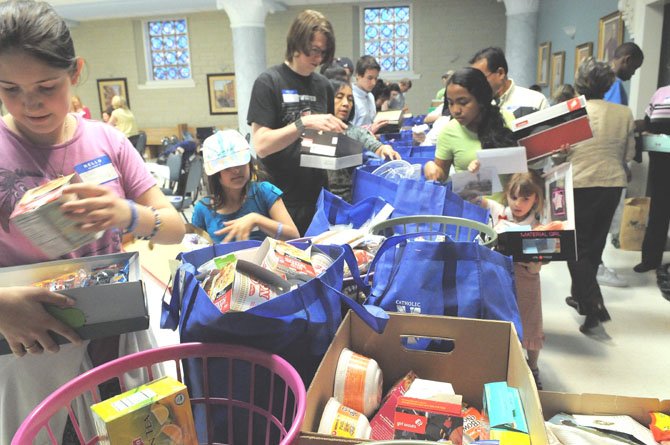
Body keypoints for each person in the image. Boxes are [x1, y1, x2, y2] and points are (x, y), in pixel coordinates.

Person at [0, 1, 186, 442]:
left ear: (76, 72)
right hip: (32, 345)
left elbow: (175, 226)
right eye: (9, 89)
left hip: (115, 333)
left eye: (47, 85)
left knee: (139, 432)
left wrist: (128, 214)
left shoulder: (107, 141)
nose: (31, 102)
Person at [247, 10, 346, 236]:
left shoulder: (323, 86)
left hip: (315, 196)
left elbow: (323, 145)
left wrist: (343, 146)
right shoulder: (268, 82)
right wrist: (304, 123)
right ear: (296, 42)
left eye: (323, 52)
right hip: (280, 199)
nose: (318, 58)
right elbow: (262, 145)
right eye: (314, 50)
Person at [561, 58, 635, 334]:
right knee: (593, 246)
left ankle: (593, 303)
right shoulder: (624, 113)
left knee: (572, 246)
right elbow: (628, 155)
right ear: (609, 84)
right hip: (612, 183)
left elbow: (560, 153)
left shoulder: (572, 111)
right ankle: (582, 299)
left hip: (579, 183)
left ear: (579, 81)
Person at [476, 171, 546, 388]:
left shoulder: (539, 223)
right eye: (513, 197)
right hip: (498, 277)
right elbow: (468, 195)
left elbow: (547, 253)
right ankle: (500, 364)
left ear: (536, 199)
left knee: (530, 322)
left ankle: (533, 368)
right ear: (506, 195)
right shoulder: (499, 212)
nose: (518, 204)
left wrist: (536, 263)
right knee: (500, 319)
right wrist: (478, 172)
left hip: (527, 278)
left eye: (526, 198)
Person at [192, 130, 299, 243]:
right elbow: (192, 249)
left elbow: (294, 236)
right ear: (215, 173)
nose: (237, 170)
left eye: (240, 163)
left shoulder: (264, 192)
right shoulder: (203, 209)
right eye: (227, 167)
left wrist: (257, 219)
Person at [598, 42, 644, 287]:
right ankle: (597, 266)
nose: (633, 73)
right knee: (603, 221)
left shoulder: (604, 84)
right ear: (625, 59)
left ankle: (594, 265)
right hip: (608, 166)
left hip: (594, 165)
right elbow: (612, 126)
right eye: (634, 68)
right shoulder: (615, 84)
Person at [423, 67, 516, 182]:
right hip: (470, 199)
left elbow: (523, 166)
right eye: (451, 103)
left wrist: (489, 162)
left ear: (481, 99)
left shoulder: (507, 119)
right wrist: (431, 168)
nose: (455, 110)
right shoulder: (448, 132)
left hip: (509, 199)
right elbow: (441, 176)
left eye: (463, 102)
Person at [326, 77, 401, 202]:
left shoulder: (354, 131)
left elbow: (374, 145)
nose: (346, 103)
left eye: (350, 99)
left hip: (347, 200)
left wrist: (384, 148)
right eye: (339, 97)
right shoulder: (313, 131)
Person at [634, 84, 670, 276]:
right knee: (658, 211)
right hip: (661, 162)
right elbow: (648, 123)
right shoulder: (660, 93)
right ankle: (650, 259)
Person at [470, 47, 549, 118]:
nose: (477, 84)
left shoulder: (535, 100)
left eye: (481, 78)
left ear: (500, 73)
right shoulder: (476, 106)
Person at [352, 55, 381, 127]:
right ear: (358, 76)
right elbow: (347, 131)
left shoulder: (371, 96)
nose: (374, 83)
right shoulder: (350, 97)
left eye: (376, 78)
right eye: (370, 78)